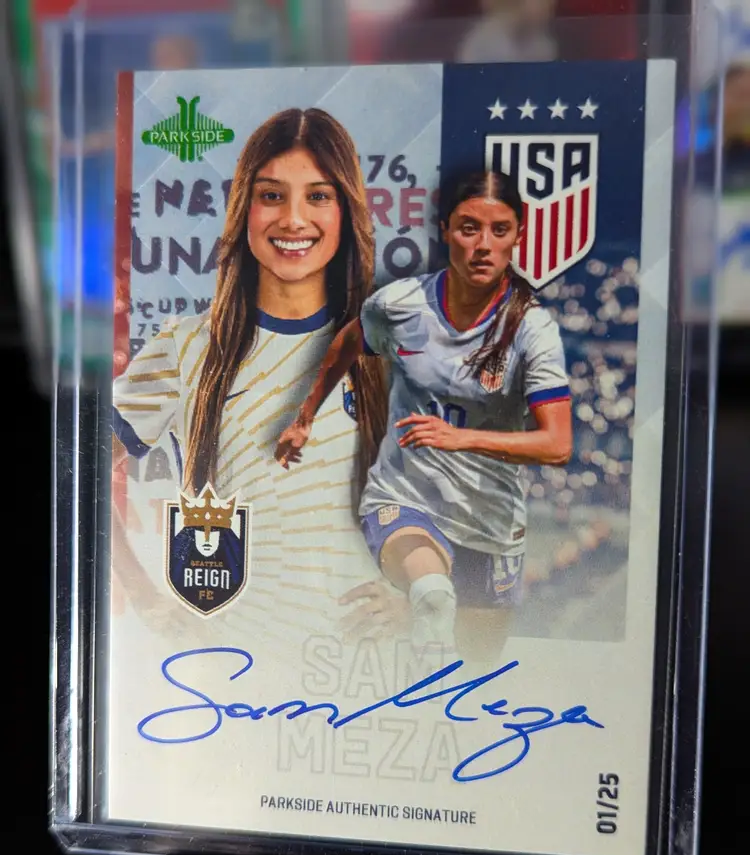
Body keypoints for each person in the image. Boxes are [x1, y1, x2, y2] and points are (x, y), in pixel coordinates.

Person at [112, 106, 405, 647]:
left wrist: (414, 599)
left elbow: (454, 500)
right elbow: (80, 468)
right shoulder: (185, 348)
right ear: (243, 208)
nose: (293, 219)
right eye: (272, 195)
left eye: (318, 196)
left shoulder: (391, 352)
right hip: (230, 665)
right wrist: (146, 596)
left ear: (347, 211)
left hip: (362, 669)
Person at [276, 169, 572, 662]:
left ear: (518, 236)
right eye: (469, 228)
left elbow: (557, 444)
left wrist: (460, 437)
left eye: (499, 230)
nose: (483, 245)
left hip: (490, 525)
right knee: (432, 595)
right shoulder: (402, 304)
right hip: (406, 499)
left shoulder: (531, 330)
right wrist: (305, 416)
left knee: (478, 663)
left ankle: (442, 681)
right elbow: (351, 340)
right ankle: (416, 654)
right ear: (445, 230)